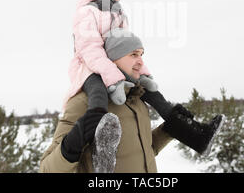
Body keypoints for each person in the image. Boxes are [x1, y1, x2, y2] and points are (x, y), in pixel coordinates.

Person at [39, 28, 225, 173]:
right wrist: (72, 143)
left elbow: (144, 151)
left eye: (141, 55)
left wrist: (169, 130)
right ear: (112, 60)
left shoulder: (137, 101)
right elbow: (46, 168)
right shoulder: (83, 102)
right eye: (133, 54)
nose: (141, 62)